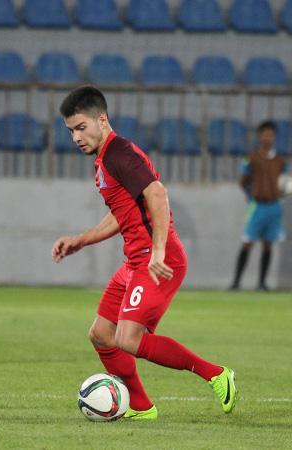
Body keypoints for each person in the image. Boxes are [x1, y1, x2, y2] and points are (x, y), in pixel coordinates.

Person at [51, 86, 237, 420]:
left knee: (128, 339)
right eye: (71, 131)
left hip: (157, 260)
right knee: (101, 334)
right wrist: (82, 240)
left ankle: (216, 374)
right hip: (136, 261)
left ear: (102, 120)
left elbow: (157, 194)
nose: (76, 137)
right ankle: (140, 407)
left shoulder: (119, 154)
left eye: (81, 127)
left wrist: (159, 251)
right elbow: (121, 214)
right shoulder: (105, 159)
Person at [230, 121, 292, 291]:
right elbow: (243, 181)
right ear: (260, 136)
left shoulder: (280, 160)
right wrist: (251, 195)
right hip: (257, 206)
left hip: (274, 206)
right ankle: (236, 282)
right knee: (248, 242)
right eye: (265, 134)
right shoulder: (252, 157)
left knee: (268, 243)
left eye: (271, 134)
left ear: (274, 137)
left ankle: (262, 283)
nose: (268, 137)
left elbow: (289, 181)